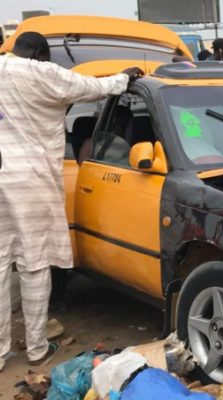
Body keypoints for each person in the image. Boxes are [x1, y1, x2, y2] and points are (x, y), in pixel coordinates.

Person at [0, 32, 141, 368]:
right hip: (29, 180)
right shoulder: (41, 72)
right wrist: (127, 76)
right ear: (39, 53)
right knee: (34, 265)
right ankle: (35, 349)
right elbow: (92, 88)